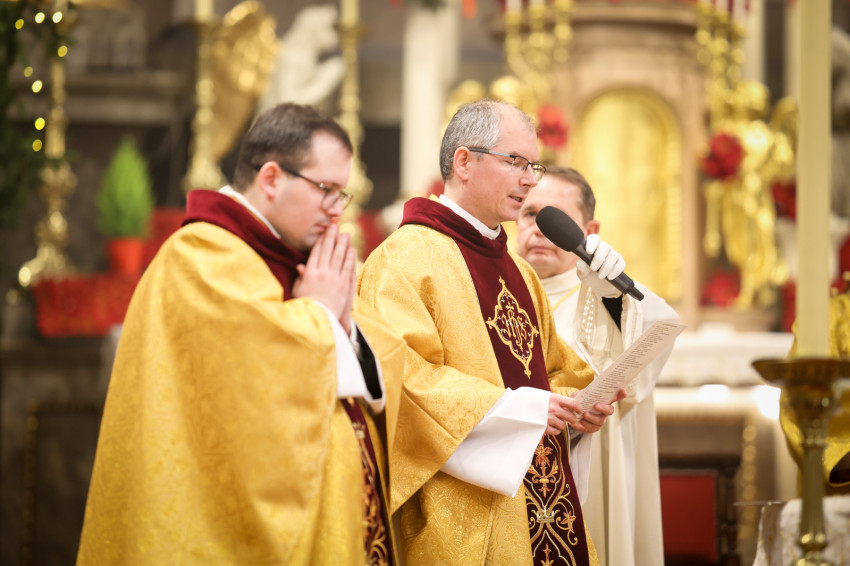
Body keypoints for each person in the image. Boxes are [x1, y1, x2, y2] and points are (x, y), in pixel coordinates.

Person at [77, 103, 404, 565]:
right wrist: (319, 314)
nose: (337, 212)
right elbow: (254, 385)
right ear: (271, 178)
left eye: (342, 195)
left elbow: (369, 363)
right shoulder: (201, 258)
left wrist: (344, 325)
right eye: (326, 190)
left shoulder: (301, 256)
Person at [358, 99, 625, 565]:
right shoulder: (403, 259)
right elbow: (403, 382)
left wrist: (576, 407)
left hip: (546, 505)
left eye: (533, 166)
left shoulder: (519, 272)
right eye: (516, 162)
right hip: (461, 512)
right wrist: (526, 409)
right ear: (464, 162)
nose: (530, 179)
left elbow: (551, 371)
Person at [516, 166, 681, 566]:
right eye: (530, 214)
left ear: (590, 230)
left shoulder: (600, 293)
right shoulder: (498, 292)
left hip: (587, 481)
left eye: (556, 219)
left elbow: (657, 325)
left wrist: (611, 295)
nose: (539, 229)